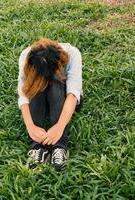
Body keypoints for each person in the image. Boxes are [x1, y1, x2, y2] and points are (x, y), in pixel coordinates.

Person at [17, 38, 83, 171]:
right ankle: (37, 148)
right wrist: (30, 126)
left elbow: (72, 94)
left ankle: (59, 147)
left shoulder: (73, 54)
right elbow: (23, 94)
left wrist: (58, 127)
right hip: (37, 95)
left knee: (54, 84)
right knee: (36, 87)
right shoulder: (26, 55)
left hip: (63, 97)